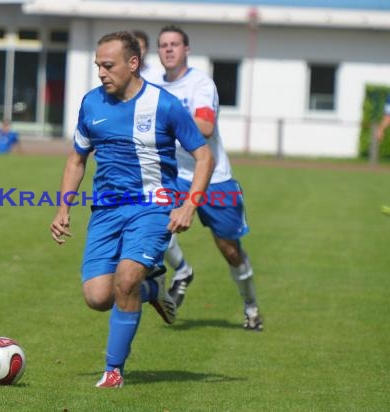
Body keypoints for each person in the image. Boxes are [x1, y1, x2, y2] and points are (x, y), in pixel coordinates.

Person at [50, 30, 214, 388]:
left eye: (108, 65)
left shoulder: (165, 105)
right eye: (98, 66)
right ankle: (153, 289)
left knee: (125, 280)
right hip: (106, 212)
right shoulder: (91, 103)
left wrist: (189, 205)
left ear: (133, 63)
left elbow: (204, 156)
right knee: (97, 297)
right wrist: (63, 209)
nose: (101, 73)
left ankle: (113, 371)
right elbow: (77, 160)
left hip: (152, 208)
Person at [156, 25, 263, 331]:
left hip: (215, 179)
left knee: (230, 250)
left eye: (174, 44)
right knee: (152, 223)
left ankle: (251, 307)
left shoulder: (200, 84)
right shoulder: (152, 86)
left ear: (186, 49)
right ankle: (183, 271)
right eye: (163, 45)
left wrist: (165, 119)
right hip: (175, 177)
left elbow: (204, 126)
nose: (169, 49)